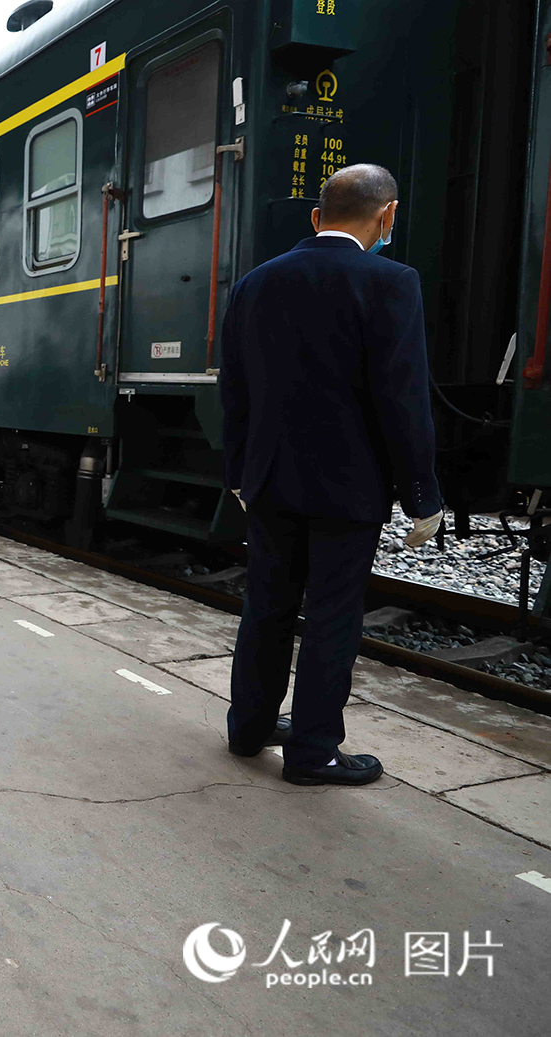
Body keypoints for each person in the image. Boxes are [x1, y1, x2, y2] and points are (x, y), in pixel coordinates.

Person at [219, 163, 443, 787]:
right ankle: (313, 752)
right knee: (332, 617)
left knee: (265, 606)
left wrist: (239, 472)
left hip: (267, 482)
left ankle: (249, 729)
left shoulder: (254, 284)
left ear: (317, 217)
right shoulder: (391, 281)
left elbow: (234, 392)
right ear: (387, 215)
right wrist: (421, 493)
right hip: (349, 488)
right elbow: (403, 397)